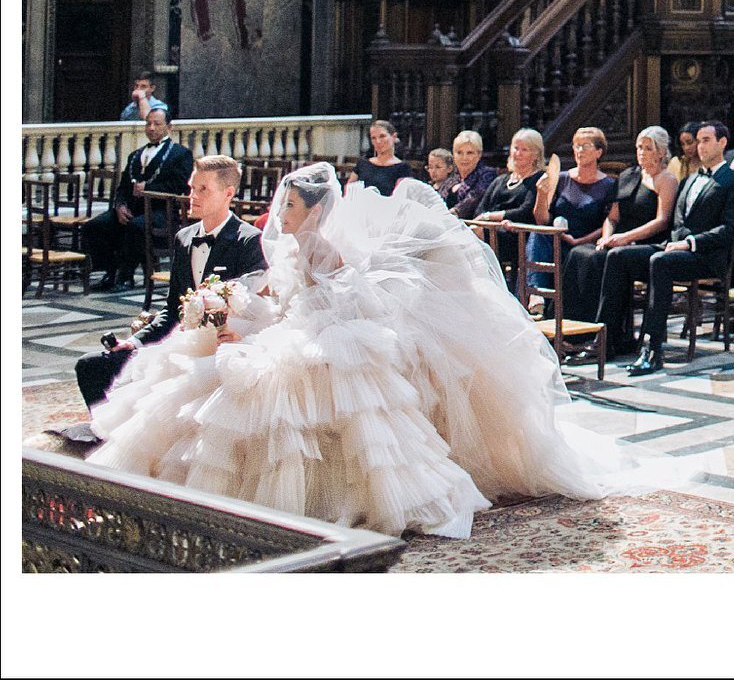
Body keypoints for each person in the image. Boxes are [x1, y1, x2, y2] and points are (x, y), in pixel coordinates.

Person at [90, 163, 618, 537]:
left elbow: (347, 302)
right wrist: (240, 313)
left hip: (329, 337)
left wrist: (289, 329)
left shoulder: (322, 247)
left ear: (313, 210)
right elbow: (281, 301)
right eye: (284, 205)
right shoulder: (294, 246)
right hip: (300, 327)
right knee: (218, 372)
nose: (282, 214)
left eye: (291, 206)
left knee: (281, 392)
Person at [74, 155, 266, 411]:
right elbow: (173, 309)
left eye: (203, 189)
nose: (192, 196)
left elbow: (258, 310)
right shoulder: (184, 238)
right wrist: (134, 342)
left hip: (221, 355)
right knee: (91, 365)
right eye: (191, 188)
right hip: (177, 346)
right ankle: (106, 438)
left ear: (228, 193)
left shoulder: (250, 241)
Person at [628, 121, 734, 374]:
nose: (700, 146)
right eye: (698, 140)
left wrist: (689, 243)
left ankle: (652, 348)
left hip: (706, 255)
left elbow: (728, 229)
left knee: (659, 262)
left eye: (706, 140)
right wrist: (675, 241)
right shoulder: (691, 178)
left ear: (723, 143)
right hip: (675, 247)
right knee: (620, 256)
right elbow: (678, 219)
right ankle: (616, 335)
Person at [567, 126, 676, 339]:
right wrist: (607, 237)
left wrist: (626, 238)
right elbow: (613, 217)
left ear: (662, 152)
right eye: (639, 147)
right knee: (580, 254)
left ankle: (608, 336)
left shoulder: (666, 179)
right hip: (618, 239)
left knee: (608, 259)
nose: (642, 152)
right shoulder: (628, 175)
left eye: (648, 148)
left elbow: (662, 221)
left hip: (646, 243)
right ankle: (574, 331)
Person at [81, 106, 193, 290]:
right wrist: (120, 206)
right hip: (132, 209)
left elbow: (180, 185)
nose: (151, 128)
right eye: (148, 123)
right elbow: (123, 187)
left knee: (136, 226)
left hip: (161, 211)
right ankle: (110, 269)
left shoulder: (180, 154)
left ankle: (126, 276)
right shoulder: (136, 155)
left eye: (157, 124)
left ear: (169, 127)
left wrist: (148, 188)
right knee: (94, 226)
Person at [468, 128, 557, 281]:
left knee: (476, 234)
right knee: (470, 232)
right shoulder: (501, 179)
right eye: (516, 148)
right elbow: (481, 209)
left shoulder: (539, 179)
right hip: (491, 230)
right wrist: (486, 219)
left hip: (518, 236)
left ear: (536, 154)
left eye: (524, 149)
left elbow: (525, 212)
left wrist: (490, 217)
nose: (518, 153)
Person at [534, 126, 618, 286]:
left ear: (599, 152)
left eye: (585, 146)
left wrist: (580, 241)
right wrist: (541, 195)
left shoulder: (609, 184)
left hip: (588, 242)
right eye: (576, 146)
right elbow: (541, 220)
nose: (579, 151)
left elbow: (610, 221)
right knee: (537, 235)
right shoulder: (561, 178)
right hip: (558, 239)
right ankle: (537, 296)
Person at [348, 119, 423, 196]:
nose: (378, 141)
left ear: (394, 137)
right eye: (373, 138)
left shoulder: (403, 168)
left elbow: (405, 195)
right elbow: (349, 191)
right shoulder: (362, 164)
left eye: (382, 136)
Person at [443, 130, 498, 220]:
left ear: (479, 154)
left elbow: (471, 202)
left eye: (470, 153)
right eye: (459, 152)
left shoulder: (488, 175)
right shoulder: (452, 177)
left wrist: (445, 217)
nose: (464, 158)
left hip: (472, 228)